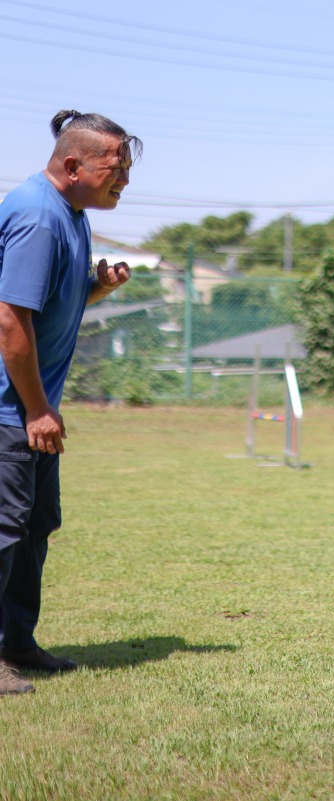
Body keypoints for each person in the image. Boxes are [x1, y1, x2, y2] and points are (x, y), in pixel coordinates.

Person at [0, 110, 142, 696]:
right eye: (118, 168)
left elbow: (51, 297)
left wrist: (98, 286)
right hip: (11, 412)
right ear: (74, 164)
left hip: (33, 410)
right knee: (4, 531)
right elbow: (10, 319)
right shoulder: (37, 215)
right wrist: (36, 409)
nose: (125, 181)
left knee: (34, 526)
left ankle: (16, 644)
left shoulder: (73, 213)